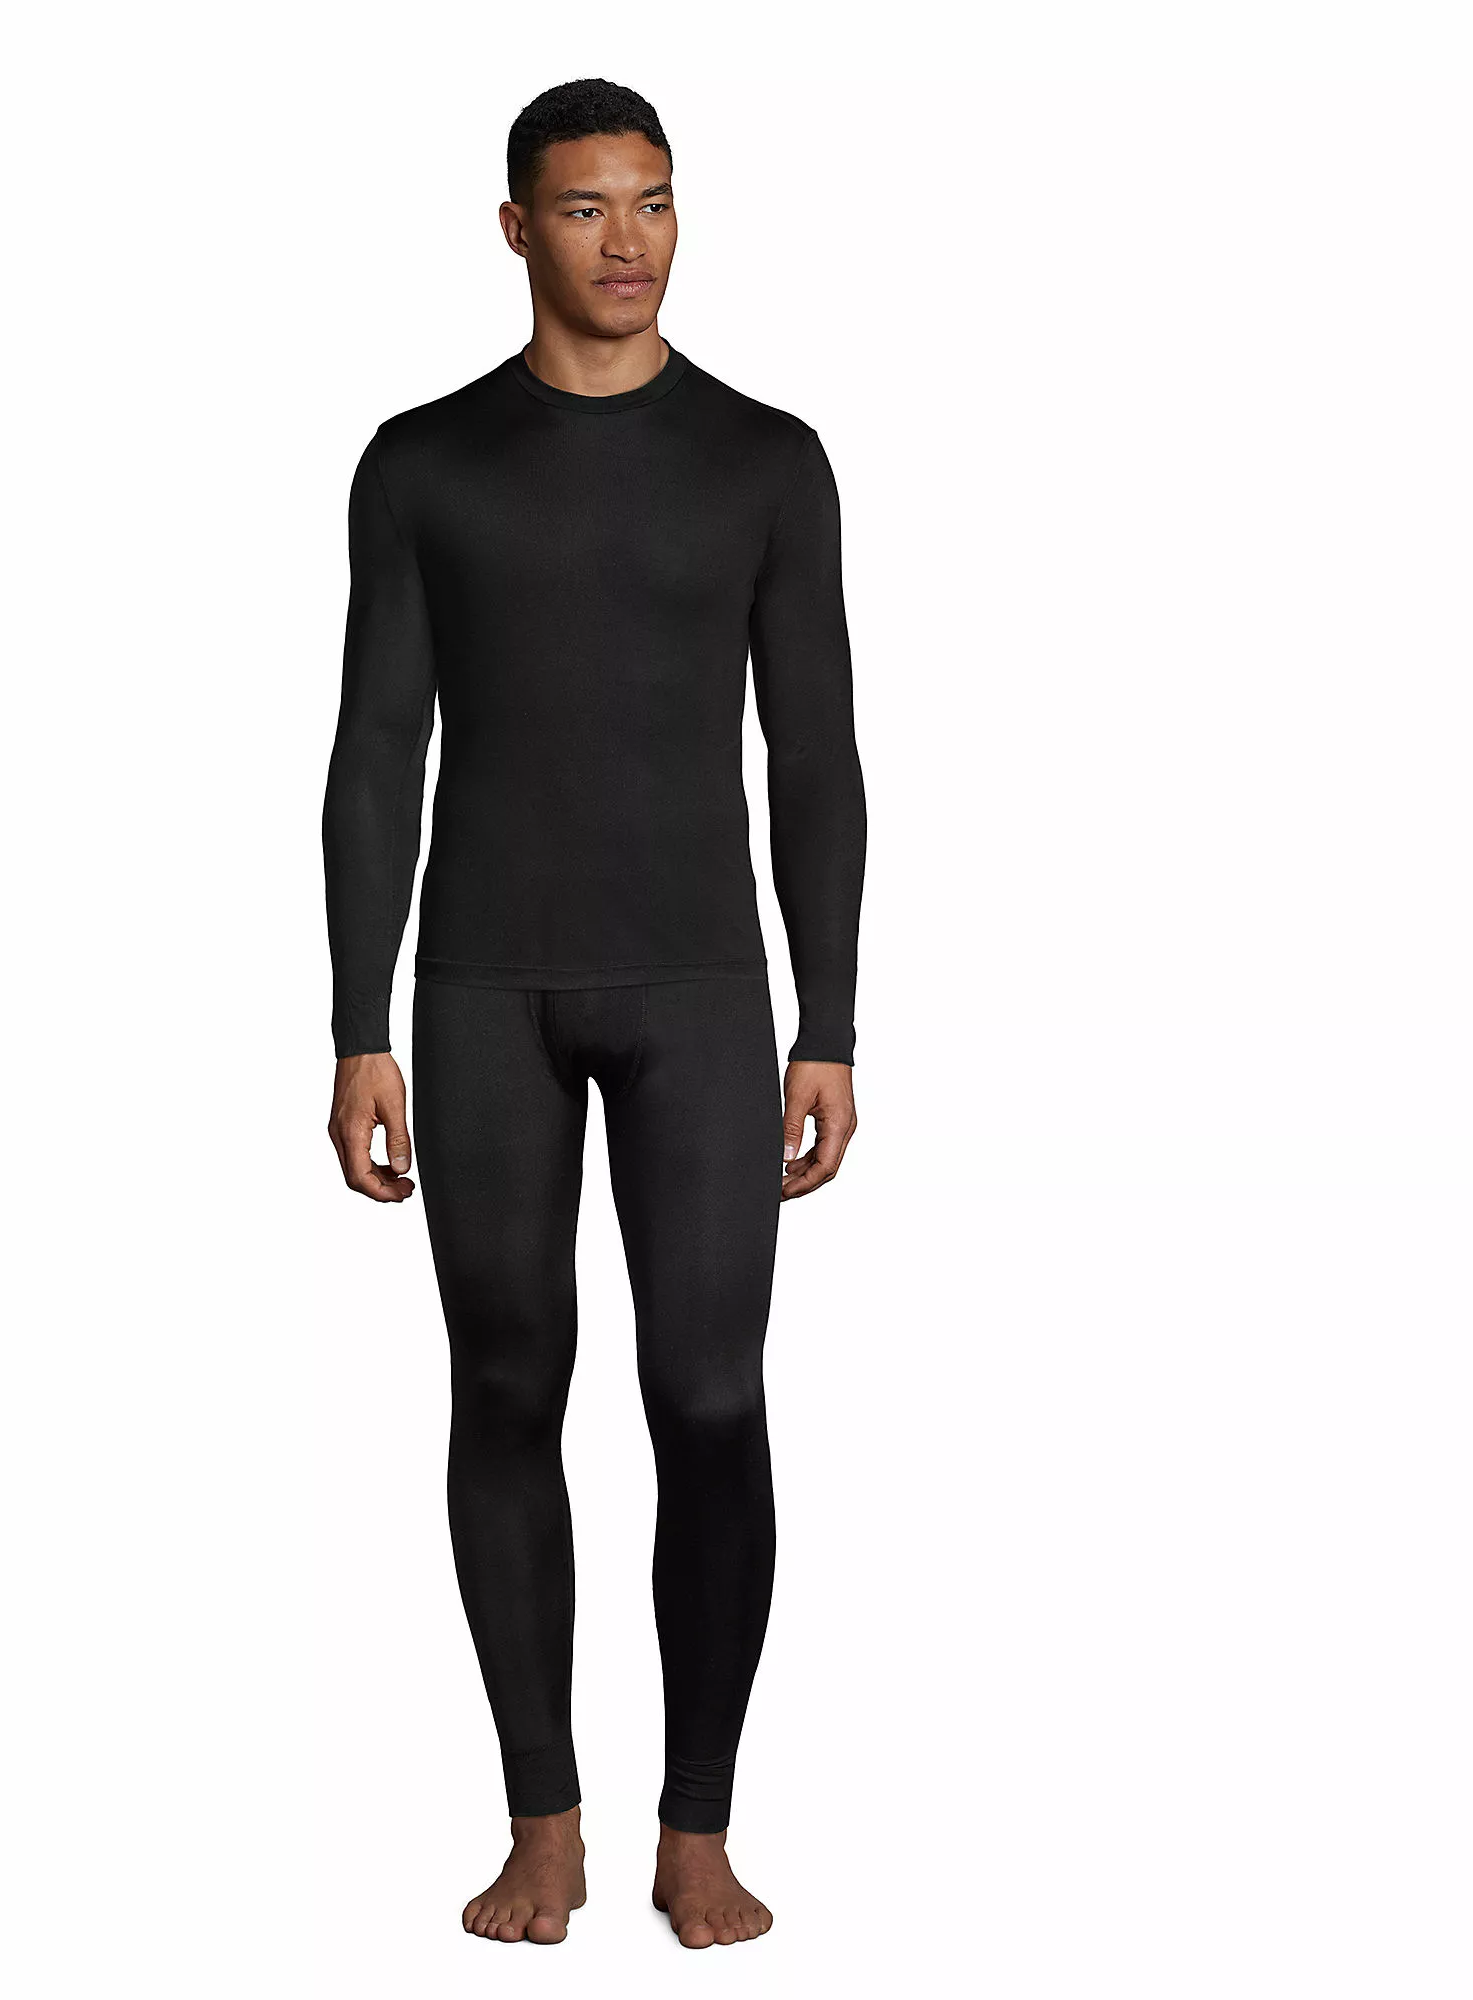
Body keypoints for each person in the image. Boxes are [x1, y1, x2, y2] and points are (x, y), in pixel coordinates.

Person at [321, 77, 867, 1949]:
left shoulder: (768, 462)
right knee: (503, 1389)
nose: (626, 241)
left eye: (653, 201)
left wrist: (831, 1021)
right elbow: (375, 750)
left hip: (703, 991)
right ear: (515, 230)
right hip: (485, 993)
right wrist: (358, 1022)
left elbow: (818, 757)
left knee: (709, 1398)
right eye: (582, 209)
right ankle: (542, 1820)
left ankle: (695, 1826)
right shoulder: (425, 465)